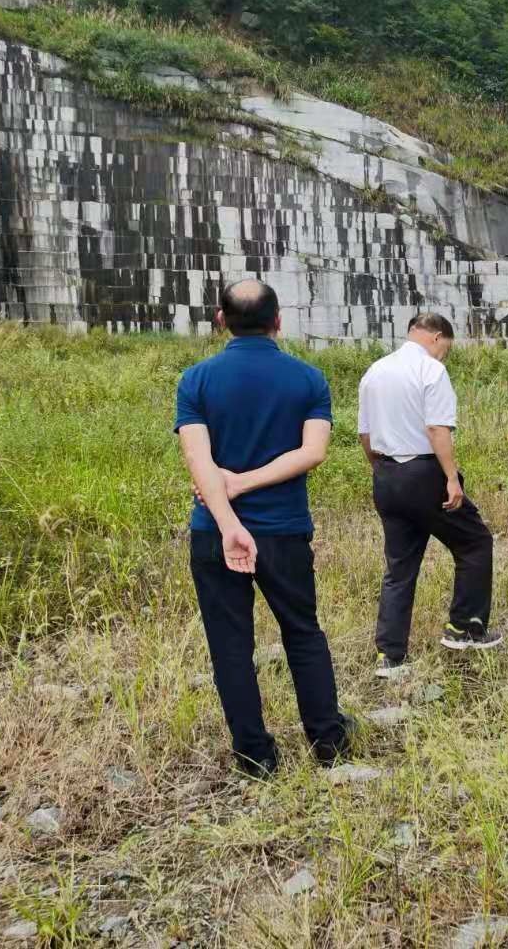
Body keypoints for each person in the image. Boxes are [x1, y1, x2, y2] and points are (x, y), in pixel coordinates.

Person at [175, 280, 353, 778]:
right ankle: (328, 741)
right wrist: (247, 484)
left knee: (230, 646)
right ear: (278, 321)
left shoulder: (196, 380)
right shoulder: (308, 379)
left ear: (220, 320)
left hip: (215, 534)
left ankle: (255, 757)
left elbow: (199, 462)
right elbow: (313, 452)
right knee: (303, 632)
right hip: (284, 532)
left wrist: (228, 516)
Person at [359, 313, 501, 679]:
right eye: (445, 349)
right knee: (475, 542)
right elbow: (437, 428)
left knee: (399, 567)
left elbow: (365, 434)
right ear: (437, 337)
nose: (443, 356)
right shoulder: (431, 371)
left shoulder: (375, 371)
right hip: (423, 474)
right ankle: (465, 628)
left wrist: (381, 469)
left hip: (386, 474)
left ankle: (390, 657)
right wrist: (451, 478)